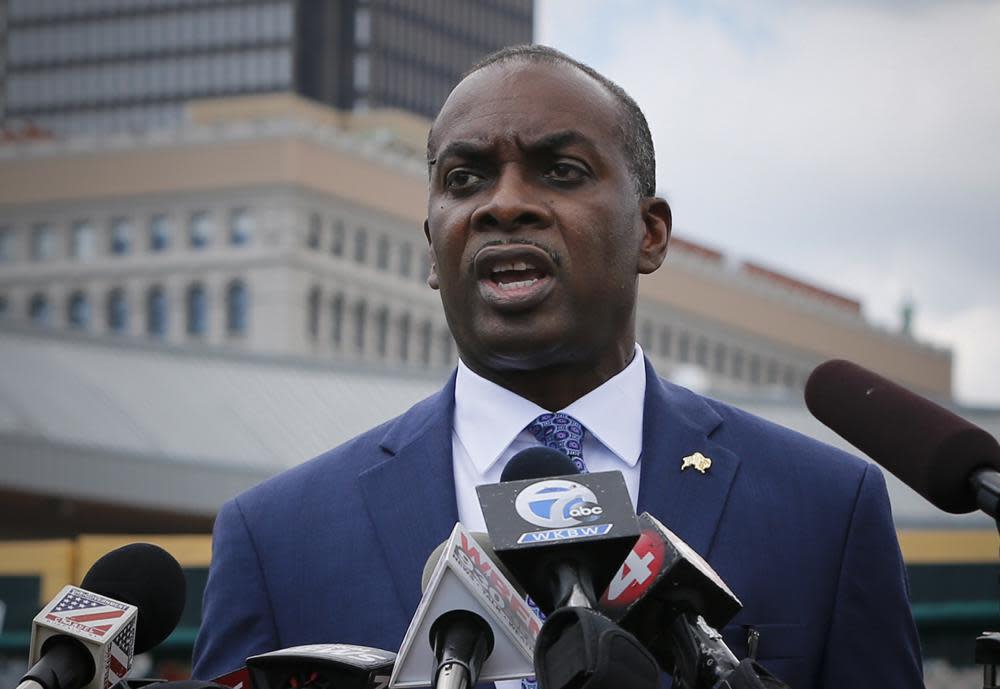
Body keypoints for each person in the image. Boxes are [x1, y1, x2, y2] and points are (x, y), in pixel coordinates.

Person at [192, 45, 923, 688]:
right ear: (430, 248)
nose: (504, 204)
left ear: (650, 232)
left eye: (560, 170)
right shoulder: (277, 537)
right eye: (466, 178)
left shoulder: (826, 510)